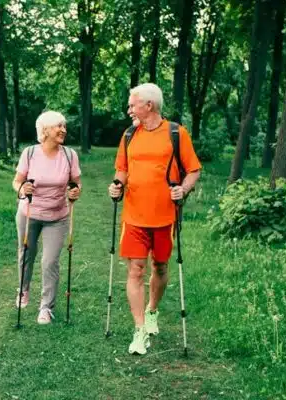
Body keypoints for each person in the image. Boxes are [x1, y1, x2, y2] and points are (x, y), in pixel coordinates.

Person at [108, 83, 201, 354]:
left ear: (148, 105)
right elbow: (121, 169)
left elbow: (194, 170)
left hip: (164, 217)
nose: (129, 109)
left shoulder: (175, 133)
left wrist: (183, 188)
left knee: (160, 268)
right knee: (135, 270)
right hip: (134, 216)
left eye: (132, 104)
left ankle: (152, 311)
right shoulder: (129, 135)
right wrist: (116, 186)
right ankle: (139, 331)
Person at [12, 110, 82, 324]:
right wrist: (22, 189)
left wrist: (74, 192)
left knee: (50, 261)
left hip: (58, 216)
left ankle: (46, 307)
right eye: (58, 126)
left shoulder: (69, 155)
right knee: (27, 253)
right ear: (45, 131)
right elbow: (17, 182)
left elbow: (76, 184)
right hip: (29, 213)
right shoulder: (30, 153)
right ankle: (23, 289)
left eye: (64, 126)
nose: (63, 130)